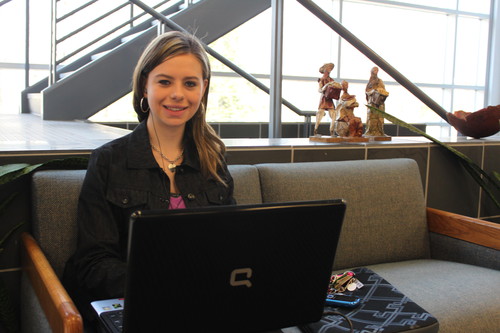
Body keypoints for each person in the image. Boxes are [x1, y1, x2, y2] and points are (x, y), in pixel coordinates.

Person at [62, 30, 236, 326]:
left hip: (202, 303)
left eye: (190, 83)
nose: (178, 94)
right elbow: (94, 263)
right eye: (165, 81)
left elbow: (230, 245)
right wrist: (164, 287)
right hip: (139, 306)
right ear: (145, 86)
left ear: (203, 89)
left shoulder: (214, 160)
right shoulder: (108, 160)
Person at [314, 62, 341, 136]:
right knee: (320, 114)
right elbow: (320, 90)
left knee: (333, 114)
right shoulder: (321, 79)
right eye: (329, 68)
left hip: (329, 99)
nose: (329, 70)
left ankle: (332, 131)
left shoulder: (331, 80)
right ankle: (315, 130)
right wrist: (325, 86)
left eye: (330, 69)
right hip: (324, 99)